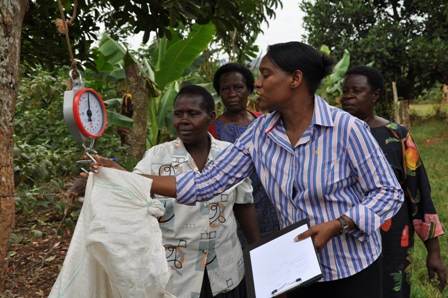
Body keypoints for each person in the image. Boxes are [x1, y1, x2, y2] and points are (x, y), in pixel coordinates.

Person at [90, 42, 404, 297]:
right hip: (297, 269)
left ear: (294, 79)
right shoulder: (260, 133)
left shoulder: (346, 129)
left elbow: (388, 192)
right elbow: (205, 184)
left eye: (266, 75)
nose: (258, 84)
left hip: (351, 268)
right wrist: (127, 177)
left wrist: (340, 224)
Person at [92, 85, 261, 297]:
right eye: (178, 114)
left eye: (193, 113)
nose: (184, 120)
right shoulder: (156, 157)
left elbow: (244, 205)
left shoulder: (230, 155)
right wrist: (109, 177)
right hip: (177, 274)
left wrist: (257, 251)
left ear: (211, 117)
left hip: (226, 270)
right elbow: (134, 192)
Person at [341, 65, 447, 296]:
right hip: (345, 237)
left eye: (356, 91)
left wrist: (434, 252)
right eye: (345, 90)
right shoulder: (331, 135)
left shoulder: (397, 136)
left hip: (393, 237)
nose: (348, 96)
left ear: (375, 95)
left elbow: (419, 193)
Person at [209, 63, 280, 246]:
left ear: (249, 89)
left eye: (238, 87)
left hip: (270, 204)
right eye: (225, 89)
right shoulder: (211, 130)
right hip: (232, 208)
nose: (232, 94)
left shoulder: (264, 121)